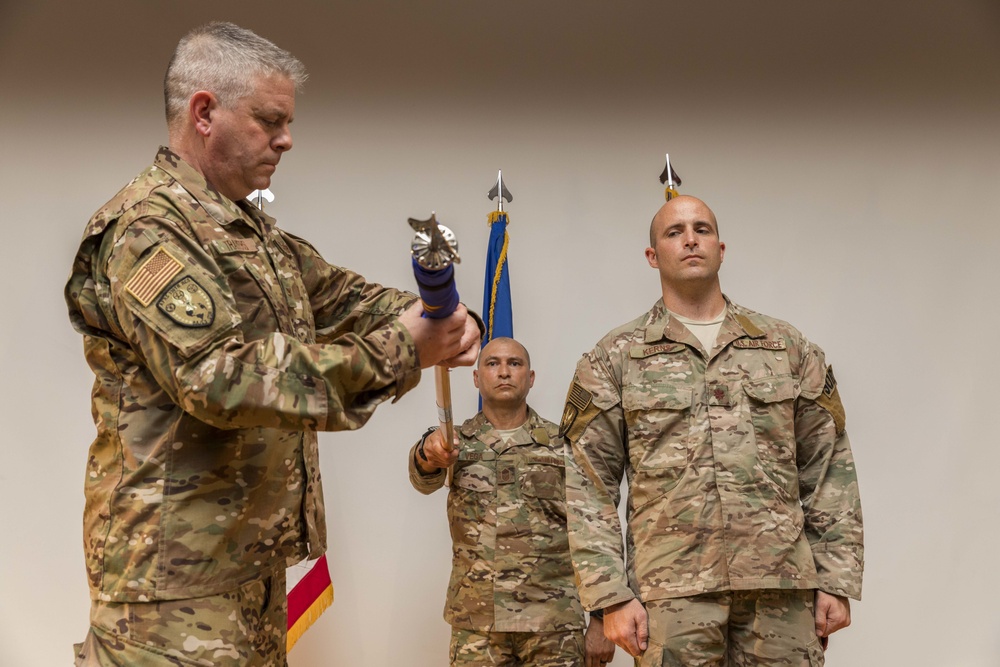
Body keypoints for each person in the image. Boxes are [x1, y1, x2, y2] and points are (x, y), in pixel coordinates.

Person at [65, 21, 481, 667]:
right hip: (170, 586)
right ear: (204, 112)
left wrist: (440, 316)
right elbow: (217, 378)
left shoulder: (246, 228)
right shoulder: (148, 229)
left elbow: (336, 295)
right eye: (269, 120)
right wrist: (404, 348)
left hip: (245, 564)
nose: (286, 139)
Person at [560, 195, 864, 665]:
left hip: (780, 587)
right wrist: (609, 597)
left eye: (701, 229)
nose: (689, 239)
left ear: (721, 249)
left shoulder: (787, 347)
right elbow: (587, 485)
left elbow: (829, 468)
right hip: (671, 592)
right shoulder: (614, 357)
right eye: (674, 232)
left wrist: (836, 579)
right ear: (652, 256)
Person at [410, 337, 616, 667]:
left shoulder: (564, 445)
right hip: (477, 625)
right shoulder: (453, 442)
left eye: (514, 364)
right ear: (476, 378)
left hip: (553, 624)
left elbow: (595, 529)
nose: (504, 371)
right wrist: (426, 450)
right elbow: (422, 477)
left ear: (530, 378)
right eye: (492, 363)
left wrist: (602, 618)